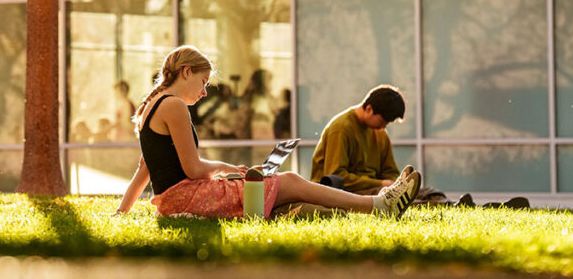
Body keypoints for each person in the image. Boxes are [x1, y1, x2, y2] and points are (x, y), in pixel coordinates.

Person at [115, 46, 421, 219]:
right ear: (186, 72)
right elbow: (192, 168)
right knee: (288, 180)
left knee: (286, 195)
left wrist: (121, 211)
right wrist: (227, 169)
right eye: (204, 81)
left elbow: (145, 169)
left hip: (174, 201)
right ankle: (378, 206)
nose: (205, 91)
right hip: (187, 199)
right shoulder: (173, 106)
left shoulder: (149, 106)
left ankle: (358, 207)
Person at [310, 85, 404, 194]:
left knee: (426, 195)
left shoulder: (380, 133)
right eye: (383, 121)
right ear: (369, 109)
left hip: (374, 189)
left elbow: (390, 170)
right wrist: (380, 184)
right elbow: (336, 176)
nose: (383, 126)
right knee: (404, 199)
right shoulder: (341, 128)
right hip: (342, 192)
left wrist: (393, 183)